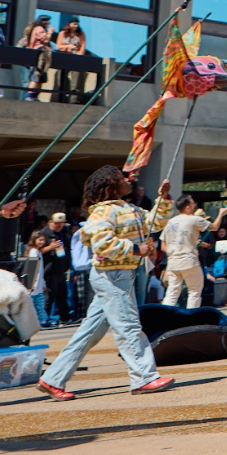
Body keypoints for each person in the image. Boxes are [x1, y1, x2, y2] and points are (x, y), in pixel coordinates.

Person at [36, 166, 176, 400]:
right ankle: (144, 377)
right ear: (111, 185)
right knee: (128, 325)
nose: (129, 179)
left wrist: (164, 198)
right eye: (122, 178)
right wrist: (135, 248)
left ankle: (52, 379)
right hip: (111, 276)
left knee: (89, 333)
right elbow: (101, 243)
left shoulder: (127, 209)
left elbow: (155, 222)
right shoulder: (102, 212)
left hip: (117, 275)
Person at [162, 195, 227, 307]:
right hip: (189, 260)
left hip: (173, 262)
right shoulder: (194, 219)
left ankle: (165, 316)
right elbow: (215, 227)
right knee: (194, 292)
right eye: (193, 204)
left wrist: (174, 252)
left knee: (171, 293)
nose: (195, 206)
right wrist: (221, 213)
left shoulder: (170, 222)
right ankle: (191, 319)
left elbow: (163, 245)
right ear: (187, 207)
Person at [41, 212, 72, 326]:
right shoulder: (43, 234)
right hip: (49, 269)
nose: (59, 226)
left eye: (61, 224)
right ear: (50, 222)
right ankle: (44, 319)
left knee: (62, 294)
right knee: (50, 294)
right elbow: (35, 250)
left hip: (61, 267)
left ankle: (65, 318)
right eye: (56, 223)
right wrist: (50, 247)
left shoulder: (64, 232)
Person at [19, 14, 52, 101]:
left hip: (37, 57)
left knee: (38, 79)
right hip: (36, 57)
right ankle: (28, 97)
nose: (48, 23)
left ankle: (32, 97)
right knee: (32, 78)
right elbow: (40, 40)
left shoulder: (38, 30)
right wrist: (49, 33)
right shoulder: (38, 29)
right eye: (46, 21)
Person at [55, 19, 88, 101]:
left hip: (76, 57)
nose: (75, 26)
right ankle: (62, 95)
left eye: (77, 24)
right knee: (61, 76)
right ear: (69, 24)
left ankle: (73, 96)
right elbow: (58, 46)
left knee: (76, 76)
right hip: (64, 56)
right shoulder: (62, 33)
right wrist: (68, 47)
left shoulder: (81, 34)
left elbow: (83, 46)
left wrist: (79, 54)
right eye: (74, 24)